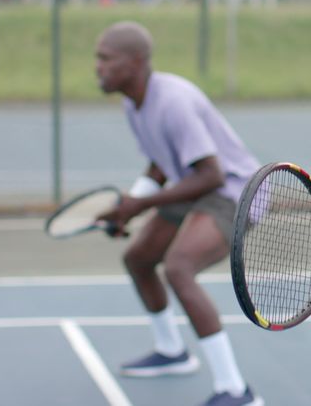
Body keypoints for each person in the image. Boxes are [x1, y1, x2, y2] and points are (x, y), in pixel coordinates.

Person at [94, 21, 264, 406]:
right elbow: (160, 161)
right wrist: (129, 205)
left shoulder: (173, 101)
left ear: (135, 62)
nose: (98, 67)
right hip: (195, 185)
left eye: (106, 58)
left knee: (178, 268)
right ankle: (172, 351)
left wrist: (140, 205)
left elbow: (212, 174)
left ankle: (236, 391)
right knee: (138, 259)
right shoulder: (133, 101)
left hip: (235, 192)